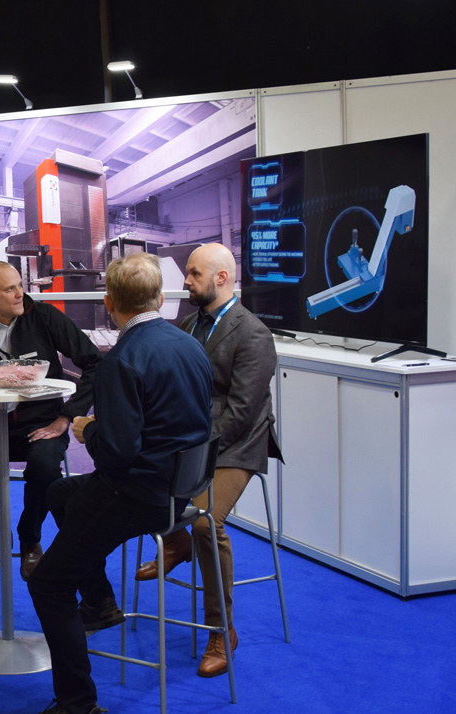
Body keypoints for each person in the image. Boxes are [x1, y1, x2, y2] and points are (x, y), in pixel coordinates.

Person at [27, 252, 213, 714]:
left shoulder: (122, 361)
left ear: (109, 303)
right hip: (178, 490)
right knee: (59, 493)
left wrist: (86, 429)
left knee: (48, 585)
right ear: (159, 298)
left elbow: (115, 455)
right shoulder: (190, 344)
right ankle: (99, 601)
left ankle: (76, 704)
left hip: (134, 494)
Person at [134, 242, 282, 678]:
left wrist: (187, 446)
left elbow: (241, 412)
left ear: (221, 278)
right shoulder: (188, 325)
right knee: (136, 477)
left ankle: (221, 629)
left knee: (204, 522)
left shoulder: (254, 334)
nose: (186, 281)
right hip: (191, 440)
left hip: (237, 446)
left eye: (194, 273)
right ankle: (176, 541)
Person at [0, 260, 101, 581]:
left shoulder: (44, 317)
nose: (20, 294)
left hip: (41, 424)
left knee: (44, 467)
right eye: (10, 288)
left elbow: (95, 363)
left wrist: (67, 417)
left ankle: (30, 538)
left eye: (20, 285)